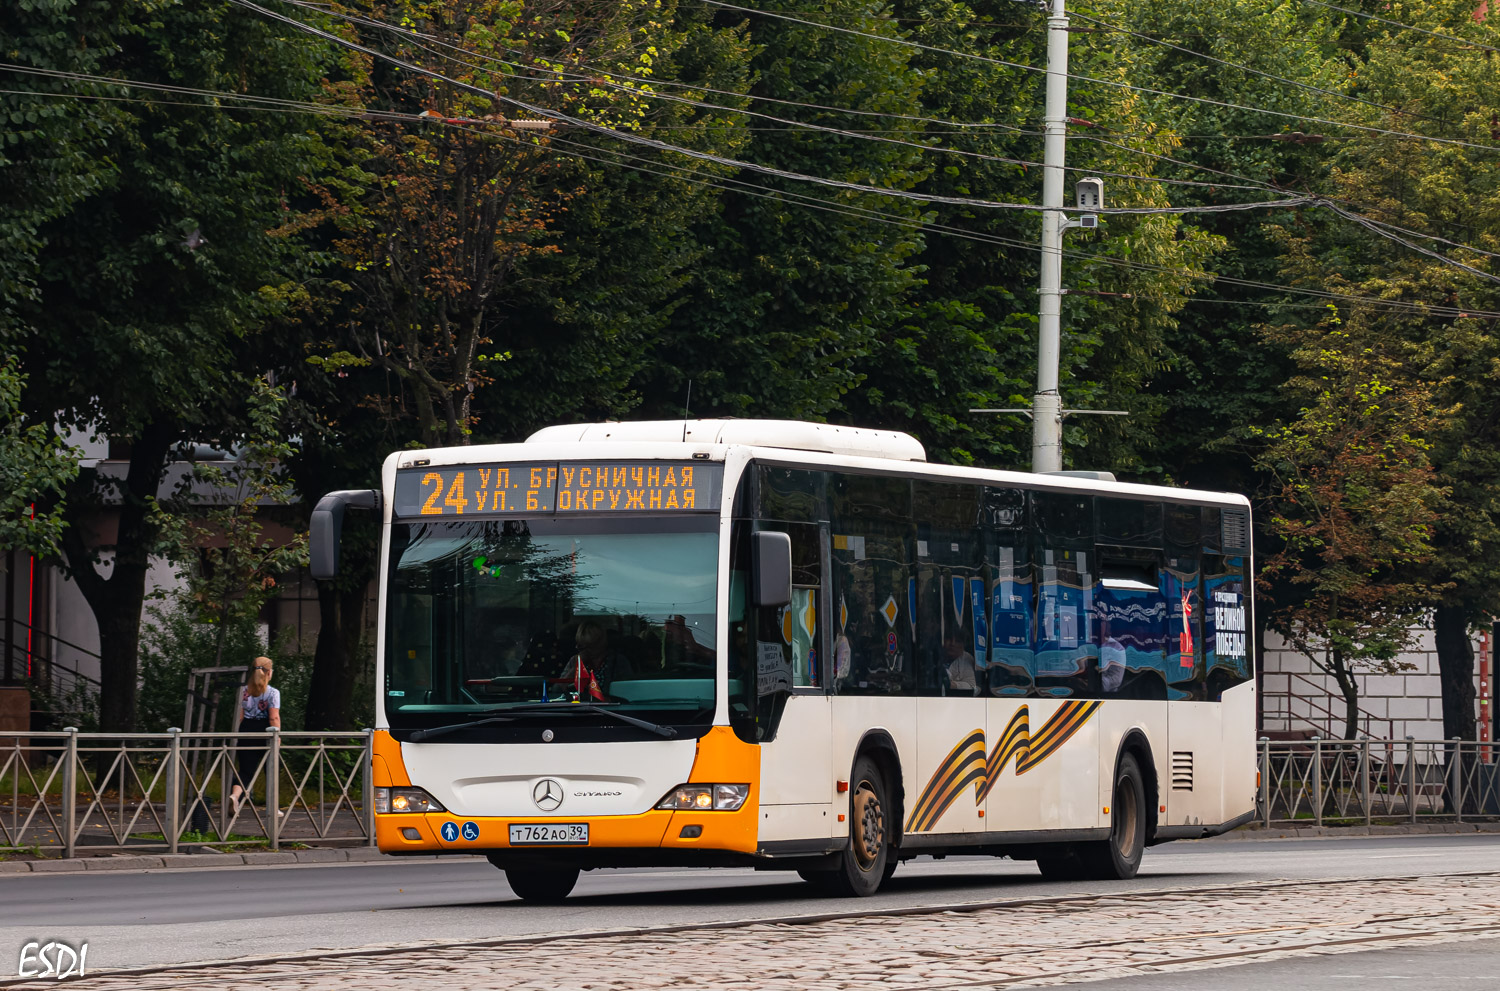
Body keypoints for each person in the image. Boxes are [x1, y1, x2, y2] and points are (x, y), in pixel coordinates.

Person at [230, 656, 281, 813]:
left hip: (246, 729)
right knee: (272, 768)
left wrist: (237, 733)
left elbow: (240, 715)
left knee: (246, 769)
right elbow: (273, 717)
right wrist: (277, 736)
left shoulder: (243, 691)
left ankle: (234, 796)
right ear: (268, 672)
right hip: (266, 730)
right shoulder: (272, 692)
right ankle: (273, 807)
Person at [560, 622, 631, 700]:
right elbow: (558, 689)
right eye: (582, 647)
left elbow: (626, 692)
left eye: (590, 646)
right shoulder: (575, 660)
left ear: (601, 643)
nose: (586, 651)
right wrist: (576, 667)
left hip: (609, 709)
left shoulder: (618, 661)